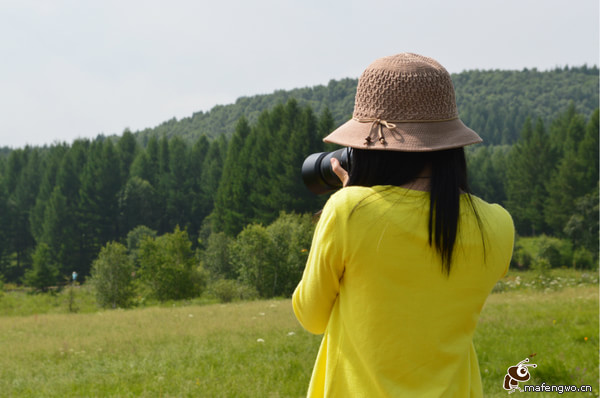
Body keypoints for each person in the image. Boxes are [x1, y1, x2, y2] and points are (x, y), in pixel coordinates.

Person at [292, 53, 515, 397]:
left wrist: (353, 201)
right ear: (450, 143)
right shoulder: (498, 224)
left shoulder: (348, 210)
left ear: (369, 148)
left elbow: (311, 316)